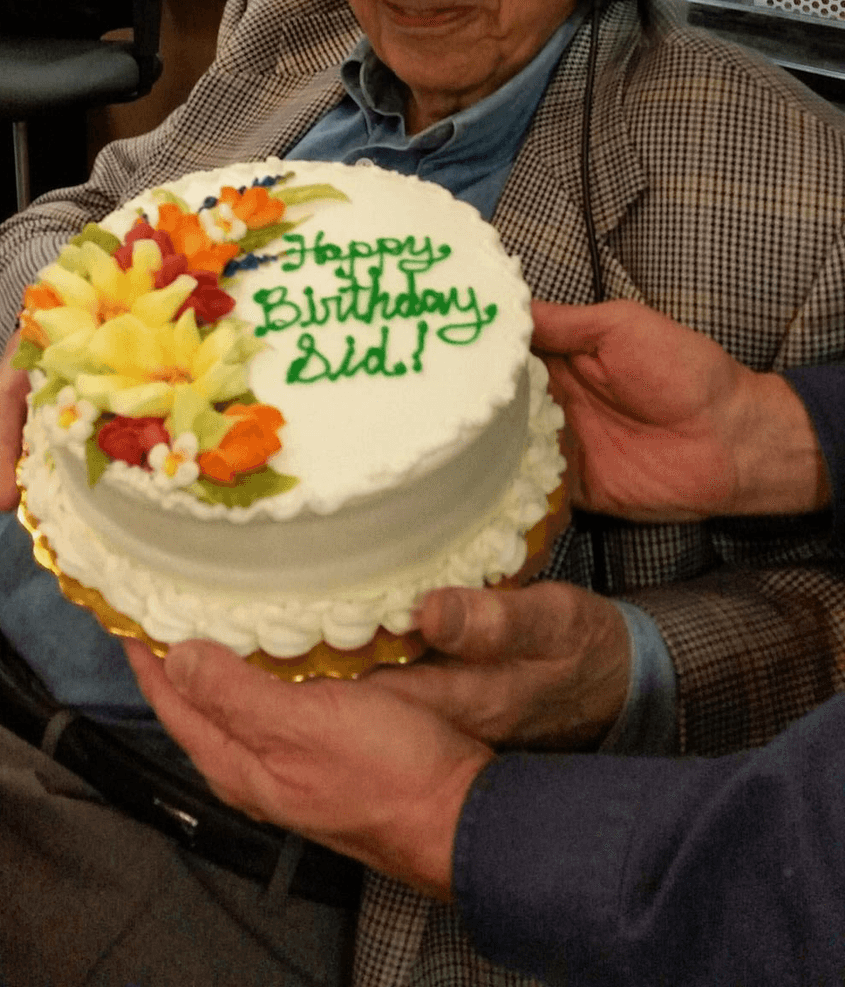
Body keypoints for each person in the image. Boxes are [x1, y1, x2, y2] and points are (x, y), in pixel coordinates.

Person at [0, 0, 845, 986]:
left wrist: (628, 660)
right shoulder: (289, 17)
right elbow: (67, 219)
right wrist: (69, 337)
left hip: (173, 858)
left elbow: (827, 616)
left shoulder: (798, 191)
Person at [124, 301, 845, 987]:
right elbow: (60, 227)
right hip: (23, 685)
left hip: (288, 875)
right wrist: (780, 429)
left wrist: (466, 816)